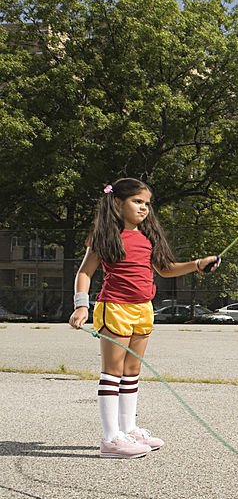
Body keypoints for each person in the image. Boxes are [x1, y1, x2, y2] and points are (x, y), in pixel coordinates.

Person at [69, 178, 220, 459]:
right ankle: (110, 438)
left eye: (147, 204)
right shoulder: (104, 236)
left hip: (143, 309)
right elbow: (84, 272)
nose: (144, 209)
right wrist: (81, 306)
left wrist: (197, 265)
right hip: (114, 308)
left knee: (131, 373)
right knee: (112, 373)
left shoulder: (147, 237)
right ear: (117, 203)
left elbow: (165, 269)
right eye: (137, 202)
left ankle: (128, 428)